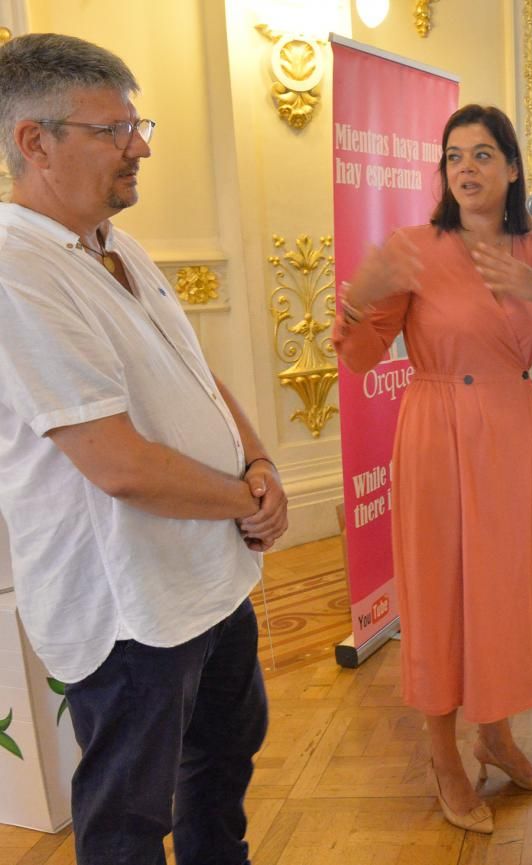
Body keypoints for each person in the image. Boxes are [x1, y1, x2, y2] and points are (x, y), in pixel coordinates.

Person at [0, 34, 287, 864]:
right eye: (116, 129)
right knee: (127, 818)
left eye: (140, 122)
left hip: (208, 575)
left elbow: (197, 377)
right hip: (129, 607)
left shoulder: (115, 244)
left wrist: (261, 462)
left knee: (221, 764)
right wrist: (249, 500)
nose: (143, 145)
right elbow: (117, 463)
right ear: (34, 142)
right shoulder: (18, 269)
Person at [332, 104, 532, 835]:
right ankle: (443, 752)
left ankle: (496, 731)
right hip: (438, 431)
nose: (467, 168)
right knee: (442, 590)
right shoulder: (416, 247)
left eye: (483, 154)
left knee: (502, 588)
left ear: (512, 168)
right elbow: (357, 355)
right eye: (454, 156)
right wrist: (360, 293)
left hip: (512, 434)